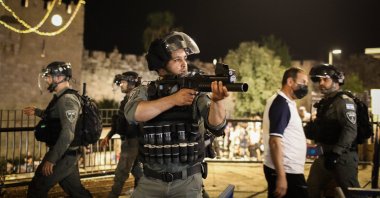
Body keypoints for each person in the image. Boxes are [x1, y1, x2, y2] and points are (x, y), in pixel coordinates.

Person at [124, 31, 229, 197]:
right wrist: (174, 100)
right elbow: (133, 114)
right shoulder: (144, 91)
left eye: (184, 58)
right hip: (151, 181)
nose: (184, 64)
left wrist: (217, 101)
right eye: (177, 59)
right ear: (160, 65)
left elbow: (216, 125)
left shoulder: (195, 92)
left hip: (187, 182)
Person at [23, 61, 92, 198]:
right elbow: (55, 117)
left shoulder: (67, 100)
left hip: (63, 155)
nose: (47, 81)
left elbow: (68, 132)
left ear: (59, 78)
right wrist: (37, 112)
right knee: (76, 192)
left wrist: (52, 159)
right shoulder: (62, 98)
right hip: (66, 154)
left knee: (37, 189)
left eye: (49, 77)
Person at [305, 64, 361, 198]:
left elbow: (350, 129)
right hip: (324, 156)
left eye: (325, 79)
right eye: (319, 80)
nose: (321, 83)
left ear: (336, 81)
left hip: (342, 158)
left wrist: (336, 154)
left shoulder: (344, 102)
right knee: (311, 189)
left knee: (352, 194)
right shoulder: (326, 102)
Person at [262, 67, 309, 198]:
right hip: (287, 170)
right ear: (290, 82)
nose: (305, 86)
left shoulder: (285, 103)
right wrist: (281, 176)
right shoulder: (281, 104)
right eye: (303, 82)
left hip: (288, 169)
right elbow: (275, 141)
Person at [99, 71, 142, 198]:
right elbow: (119, 120)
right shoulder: (127, 99)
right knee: (137, 171)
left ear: (131, 82)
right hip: (130, 140)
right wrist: (108, 136)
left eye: (123, 82)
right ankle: (141, 193)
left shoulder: (137, 99)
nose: (121, 85)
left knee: (121, 173)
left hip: (132, 141)